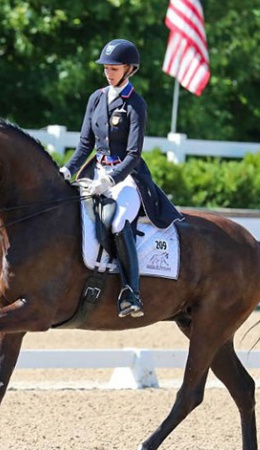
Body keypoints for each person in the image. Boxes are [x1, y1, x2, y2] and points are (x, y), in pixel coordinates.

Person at [59, 39, 184, 318]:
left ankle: (132, 292)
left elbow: (133, 154)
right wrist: (66, 170)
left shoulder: (135, 104)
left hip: (127, 178)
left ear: (129, 69)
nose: (108, 72)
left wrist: (111, 180)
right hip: (95, 172)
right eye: (105, 67)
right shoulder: (96, 98)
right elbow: (84, 145)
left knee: (117, 222)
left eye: (114, 68)